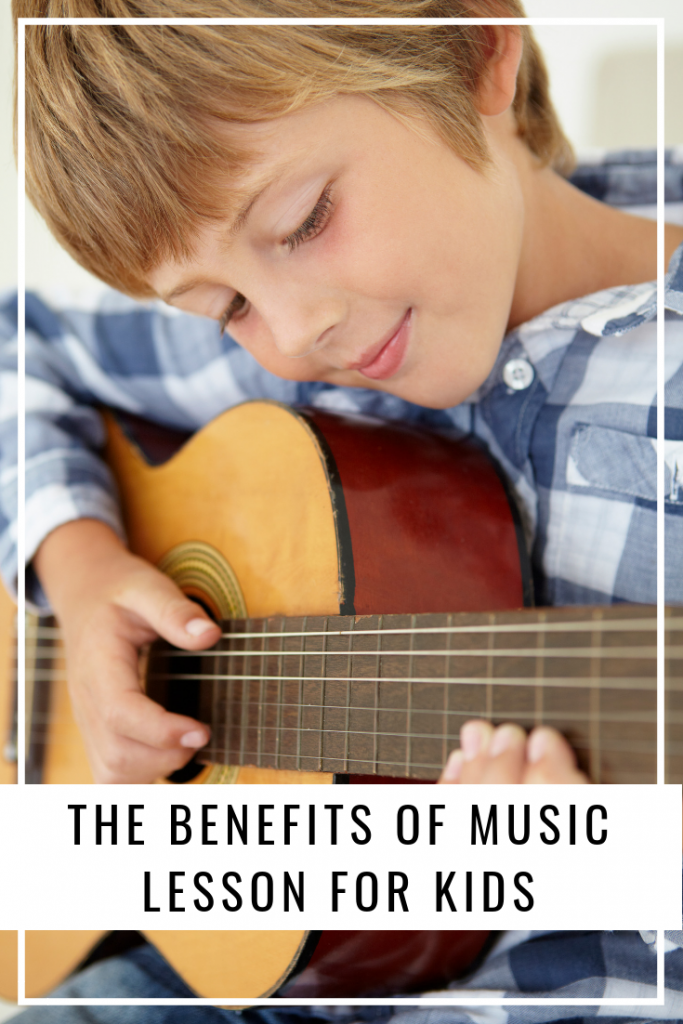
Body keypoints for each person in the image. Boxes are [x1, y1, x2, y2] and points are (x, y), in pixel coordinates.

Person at [2, 0, 683, 1017]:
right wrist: (80, 561)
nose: (287, 336)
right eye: (222, 309)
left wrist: (614, 870)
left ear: (472, 51)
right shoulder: (311, 349)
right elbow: (22, 346)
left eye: (303, 223)